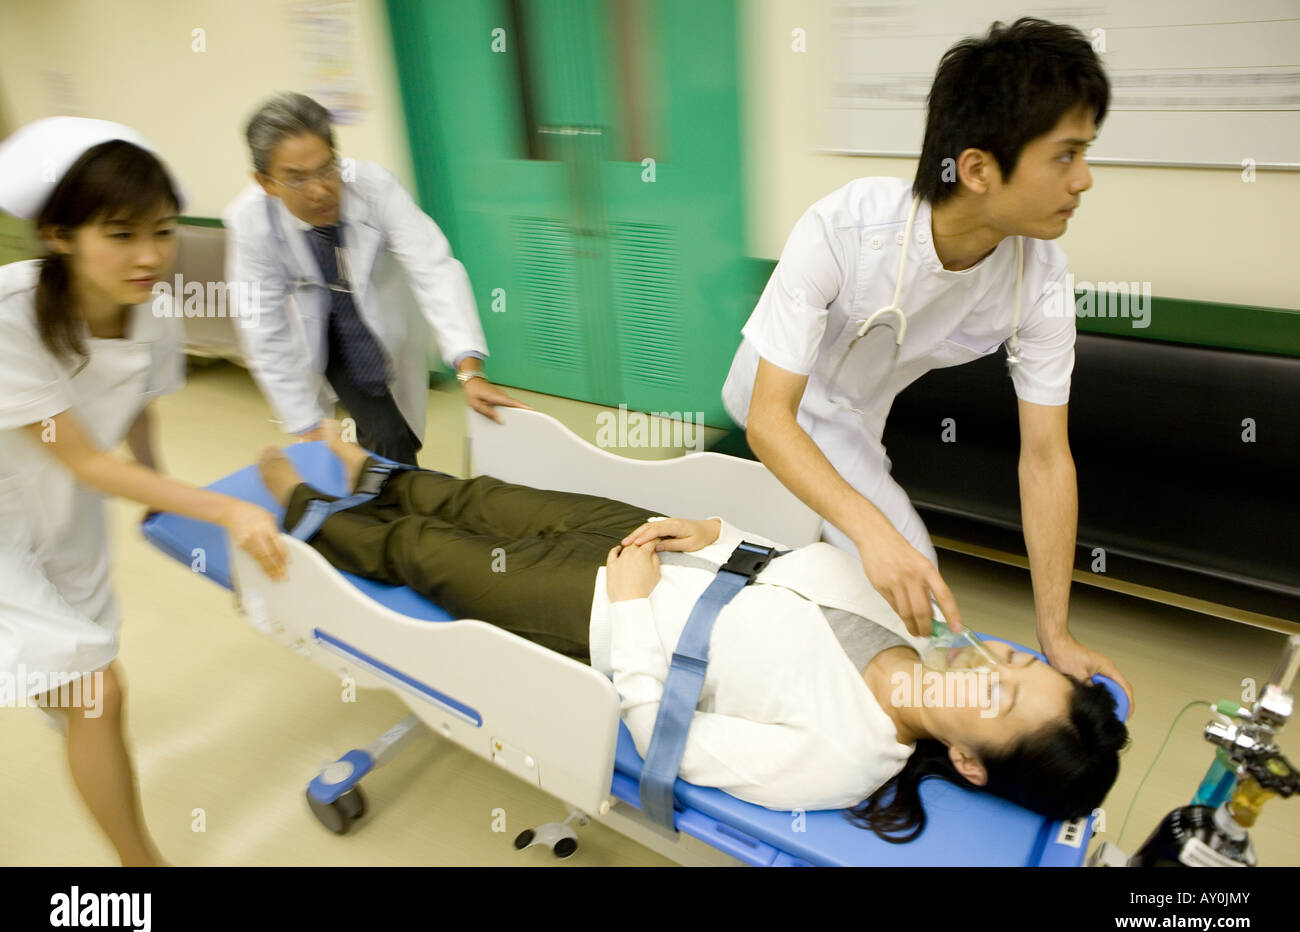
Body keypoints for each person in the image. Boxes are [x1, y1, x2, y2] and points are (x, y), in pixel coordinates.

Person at [253, 423, 1127, 839]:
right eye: (1011, 659)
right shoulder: (908, 609)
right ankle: (381, 474)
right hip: (654, 537)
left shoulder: (839, 759)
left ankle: (306, 505)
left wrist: (630, 604)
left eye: (998, 696)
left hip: (595, 608)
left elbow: (662, 734)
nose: (986, 665)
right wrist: (714, 534)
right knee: (482, 500)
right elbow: (792, 565)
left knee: (423, 553)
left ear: (970, 762)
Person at [720, 18, 1134, 711]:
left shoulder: (1042, 279)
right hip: (772, 405)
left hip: (854, 429)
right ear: (976, 169)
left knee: (909, 599)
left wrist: (1055, 634)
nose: (1084, 179)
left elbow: (1045, 459)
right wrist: (873, 534)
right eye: (1065, 156)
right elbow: (769, 419)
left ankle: (870, 703)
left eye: (1085, 153)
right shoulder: (843, 230)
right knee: (907, 582)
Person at [0, 116, 288, 866]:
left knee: (73, 682)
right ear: (59, 235)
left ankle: (54, 692)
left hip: (60, 516)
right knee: (99, 692)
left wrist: (158, 488)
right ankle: (142, 867)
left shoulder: (154, 312)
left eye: (161, 232)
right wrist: (221, 504)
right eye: (122, 235)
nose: (151, 256)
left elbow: (138, 403)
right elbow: (85, 462)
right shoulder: (9, 317)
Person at [224, 92, 529, 465]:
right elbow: (262, 325)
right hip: (318, 330)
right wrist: (307, 425)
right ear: (265, 182)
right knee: (388, 437)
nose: (319, 190)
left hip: (377, 323)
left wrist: (469, 370)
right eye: (296, 179)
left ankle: (387, 495)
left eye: (325, 168)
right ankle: (397, 505)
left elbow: (433, 267)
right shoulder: (250, 222)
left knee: (395, 437)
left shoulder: (374, 187)